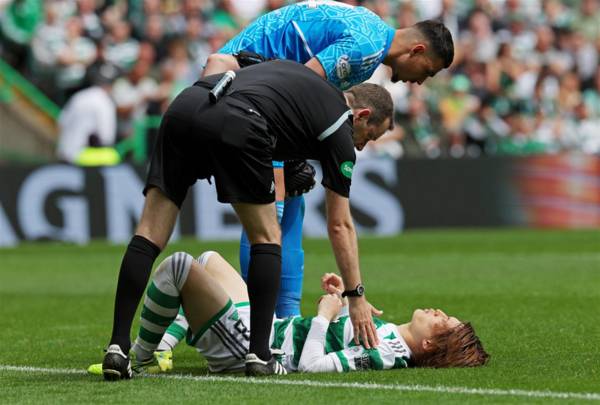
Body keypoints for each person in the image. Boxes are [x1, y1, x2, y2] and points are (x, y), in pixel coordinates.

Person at [101, 59, 394, 380]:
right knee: (267, 237)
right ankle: (260, 355)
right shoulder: (340, 125)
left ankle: (117, 348)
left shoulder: (302, 79)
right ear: (361, 115)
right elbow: (340, 225)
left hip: (185, 105)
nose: (362, 145)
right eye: (370, 136)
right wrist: (355, 295)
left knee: (149, 232)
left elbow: (246, 73)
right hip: (237, 119)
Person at [202, 0, 455, 320]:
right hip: (244, 91)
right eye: (428, 71)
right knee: (269, 214)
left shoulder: (373, 33)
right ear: (417, 50)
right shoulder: (366, 49)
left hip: (247, 86)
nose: (420, 82)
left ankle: (286, 318)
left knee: (291, 200)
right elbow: (299, 87)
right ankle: (257, 322)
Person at [90, 250, 489, 376]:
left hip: (254, 350)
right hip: (267, 329)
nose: (439, 311)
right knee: (208, 260)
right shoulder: (389, 337)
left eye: (443, 320)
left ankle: (138, 356)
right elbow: (331, 340)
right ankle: (164, 345)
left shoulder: (388, 353)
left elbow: (312, 366)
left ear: (430, 344)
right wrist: (338, 300)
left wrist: (325, 316)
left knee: (178, 266)